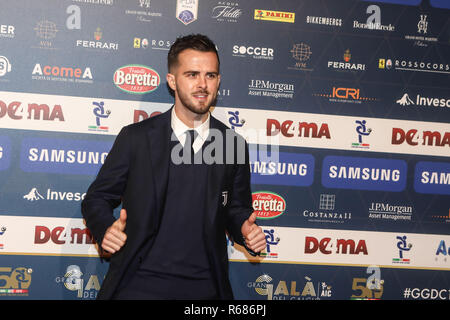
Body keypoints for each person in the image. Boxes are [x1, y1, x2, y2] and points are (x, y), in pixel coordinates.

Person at [81, 34, 266, 300]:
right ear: (172, 81)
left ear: (219, 81)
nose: (202, 84)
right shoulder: (136, 138)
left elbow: (236, 209)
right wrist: (105, 229)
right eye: (192, 74)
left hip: (205, 287)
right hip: (138, 283)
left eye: (210, 75)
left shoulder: (233, 145)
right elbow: (97, 198)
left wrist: (245, 231)